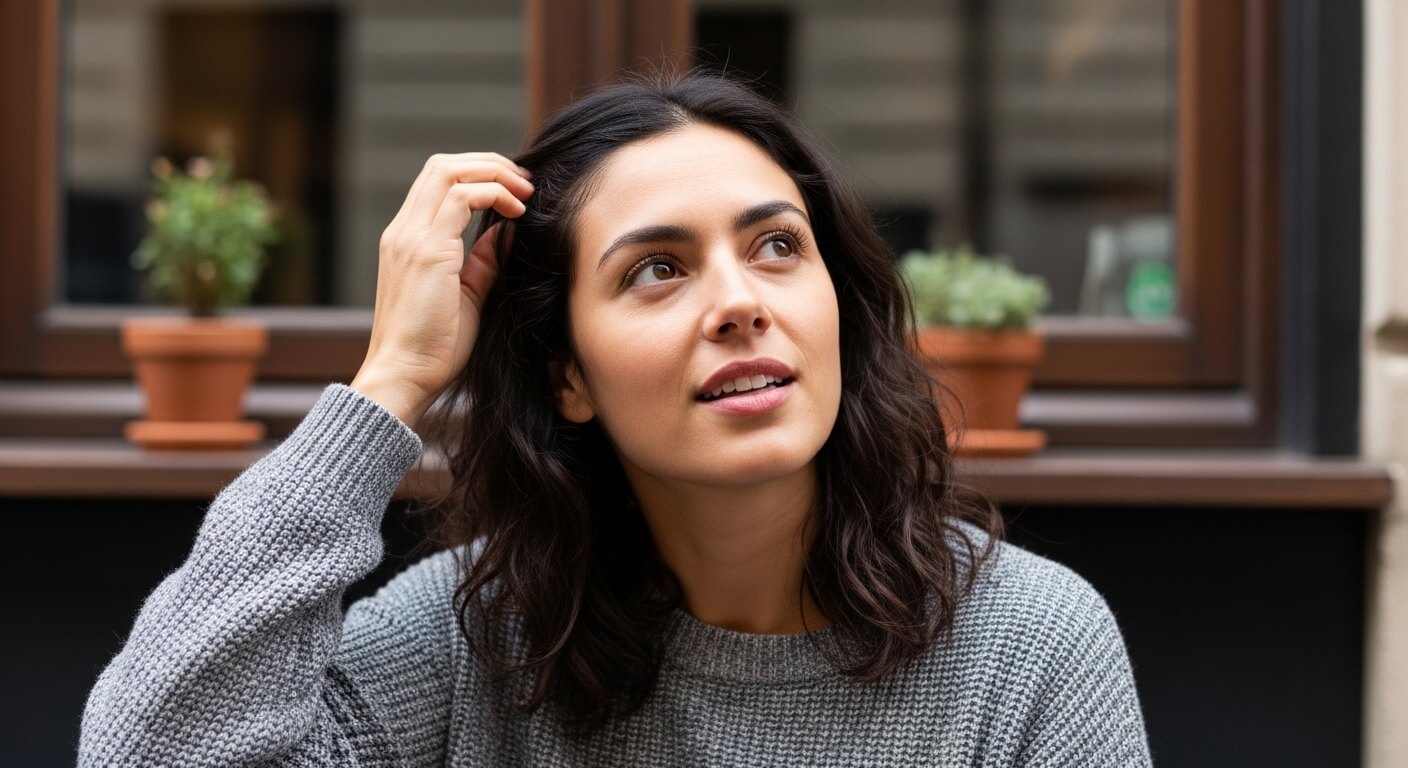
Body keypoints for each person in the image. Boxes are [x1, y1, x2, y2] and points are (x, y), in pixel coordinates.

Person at [79, 72, 1151, 766]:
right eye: (657, 269)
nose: (740, 301)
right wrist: (391, 380)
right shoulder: (474, 640)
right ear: (569, 378)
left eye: (777, 246)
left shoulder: (1028, 646)